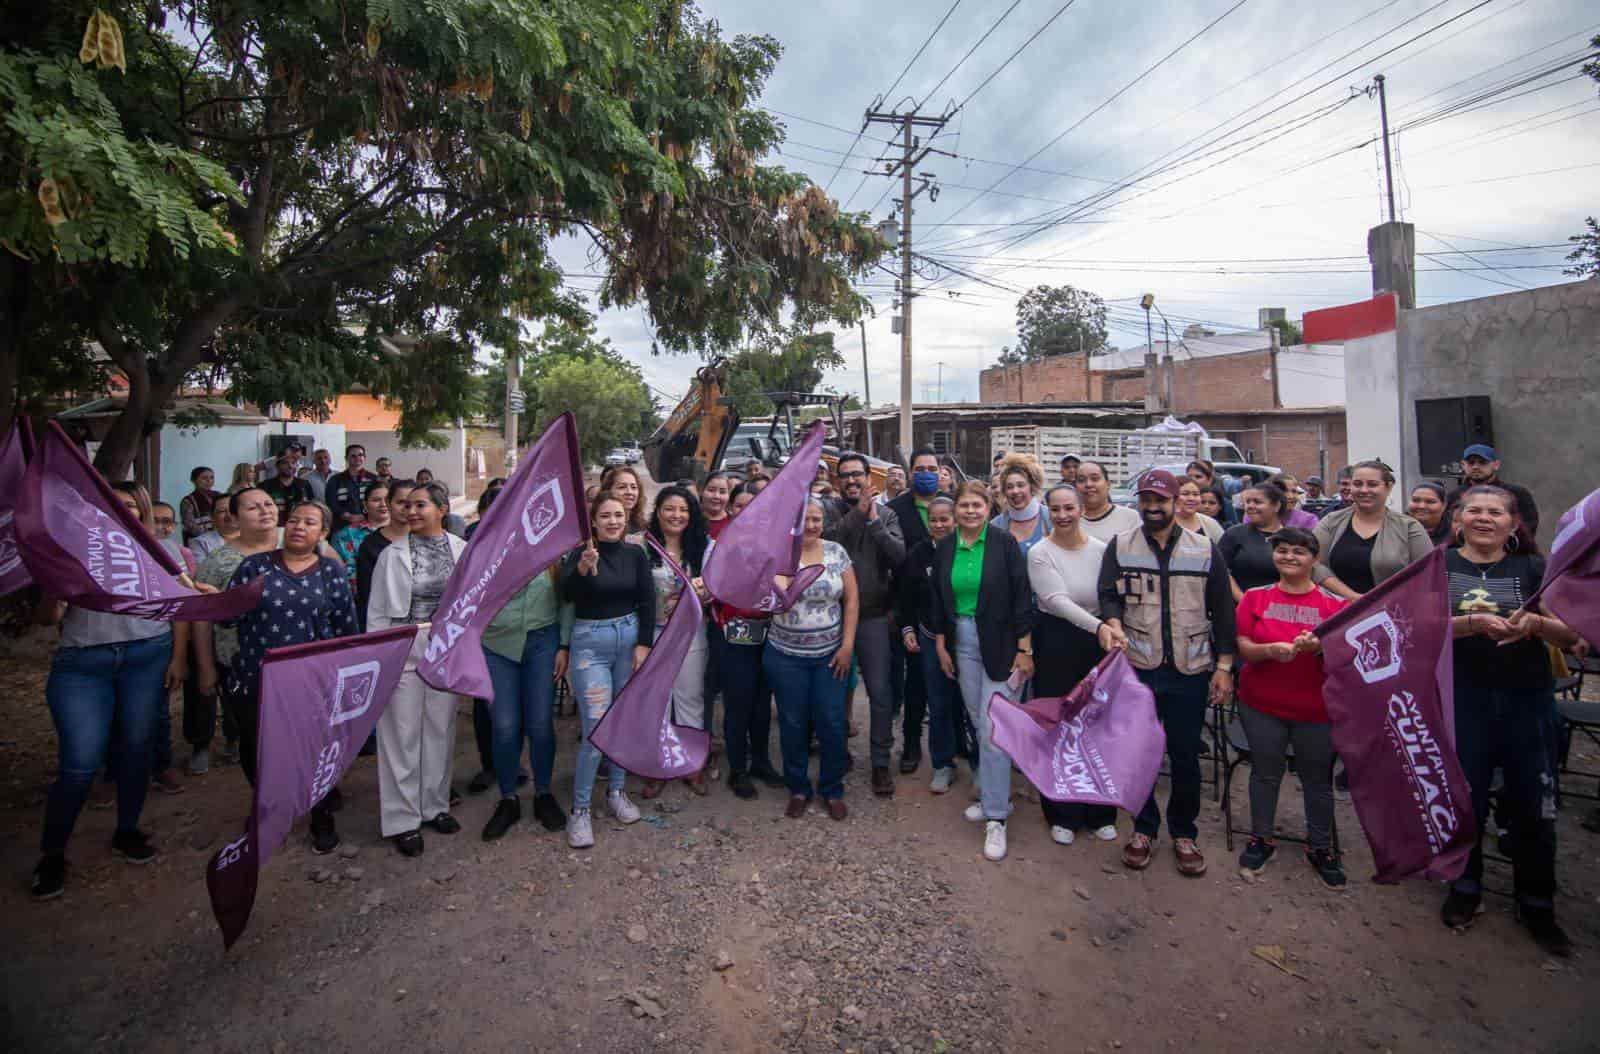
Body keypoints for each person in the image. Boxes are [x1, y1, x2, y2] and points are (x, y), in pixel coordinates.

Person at [1442, 485, 1577, 956]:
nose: (1484, 518)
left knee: (1535, 805)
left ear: (1513, 523)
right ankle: (1464, 888)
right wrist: (1471, 624)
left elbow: (1573, 637)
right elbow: (1415, 629)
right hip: (1462, 700)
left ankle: (1537, 902)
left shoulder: (1536, 569)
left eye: (1495, 512)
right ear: (1458, 519)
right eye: (1474, 510)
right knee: (1464, 801)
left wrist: (1535, 625)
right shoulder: (1436, 567)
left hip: (1527, 702)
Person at [30, 484, 180, 899]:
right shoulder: (71, 549)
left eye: (129, 506)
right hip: (83, 664)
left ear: (142, 511)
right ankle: (53, 853)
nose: (120, 511)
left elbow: (181, 606)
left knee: (136, 749)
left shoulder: (161, 551)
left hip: (146, 656)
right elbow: (47, 618)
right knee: (79, 763)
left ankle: (127, 830)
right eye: (111, 504)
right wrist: (54, 593)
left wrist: (181, 657)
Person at [1098, 469, 1237, 877]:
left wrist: (1224, 666)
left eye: (1160, 500)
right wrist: (1112, 621)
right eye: (1146, 500)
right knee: (1138, 753)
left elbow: (1223, 610)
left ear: (1176, 502)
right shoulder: (1121, 545)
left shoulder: (1204, 548)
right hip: (1138, 668)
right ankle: (1143, 828)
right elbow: (1108, 594)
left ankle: (1183, 832)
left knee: (1185, 755)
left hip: (1189, 670)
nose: (1153, 507)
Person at [226, 501, 358, 853]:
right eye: (294, 520)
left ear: (323, 533)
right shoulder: (254, 567)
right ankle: (269, 809)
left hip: (312, 682)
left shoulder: (331, 572)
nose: (299, 526)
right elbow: (227, 618)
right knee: (256, 749)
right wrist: (216, 602)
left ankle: (321, 815)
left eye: (309, 522)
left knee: (313, 750)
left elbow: (346, 628)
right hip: (257, 677)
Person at [1232, 527, 1347, 887]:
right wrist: (1268, 651)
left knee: (1317, 779)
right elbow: (1243, 646)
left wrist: (1321, 648)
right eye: (1282, 550)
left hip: (1316, 709)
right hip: (1261, 704)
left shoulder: (1335, 605)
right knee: (1265, 773)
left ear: (1315, 559)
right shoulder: (1255, 598)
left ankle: (1321, 846)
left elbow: (1347, 656)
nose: (1289, 557)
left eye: (1299, 552)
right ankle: (1261, 838)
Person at [931, 481, 1033, 863]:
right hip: (961, 640)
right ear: (955, 509)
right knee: (978, 721)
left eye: (977, 505)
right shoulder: (945, 547)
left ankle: (996, 817)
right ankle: (996, 795)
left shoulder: (1004, 545)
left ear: (989, 508)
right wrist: (942, 643)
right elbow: (939, 598)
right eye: (965, 505)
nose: (971, 511)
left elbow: (1022, 597)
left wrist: (1025, 649)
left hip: (1002, 643)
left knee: (994, 730)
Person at [368, 482, 469, 857]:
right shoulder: (390, 555)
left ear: (442, 509)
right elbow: (377, 612)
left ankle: (434, 806)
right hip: (402, 647)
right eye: (406, 505)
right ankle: (402, 819)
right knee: (402, 733)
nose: (410, 511)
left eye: (420, 505)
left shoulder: (462, 550)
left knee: (440, 729)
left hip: (444, 649)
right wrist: (381, 657)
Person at [560, 493, 653, 849]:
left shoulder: (635, 554)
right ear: (594, 521)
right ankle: (580, 809)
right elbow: (566, 594)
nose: (613, 521)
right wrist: (584, 568)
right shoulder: (582, 553)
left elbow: (647, 599)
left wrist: (643, 644)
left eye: (618, 515)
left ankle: (616, 791)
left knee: (621, 722)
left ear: (626, 518)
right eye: (605, 516)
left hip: (628, 638)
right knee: (596, 728)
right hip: (590, 645)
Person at [1027, 484, 1119, 845]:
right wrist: (1100, 627)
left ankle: (1100, 811)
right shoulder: (1039, 552)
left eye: (1069, 508)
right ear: (1047, 511)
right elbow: (1056, 600)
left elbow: (1110, 594)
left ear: (1081, 509)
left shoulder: (1101, 550)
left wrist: (1110, 627)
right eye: (1056, 509)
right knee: (1060, 726)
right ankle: (1061, 811)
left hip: (1098, 644)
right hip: (1056, 640)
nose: (1063, 515)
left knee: (1097, 725)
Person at [766, 497, 857, 821]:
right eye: (804, 519)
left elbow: (851, 600)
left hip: (830, 656)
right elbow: (777, 596)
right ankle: (798, 788)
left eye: (817, 519)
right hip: (785, 655)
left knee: (832, 722)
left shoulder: (836, 552)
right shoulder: (779, 554)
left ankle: (832, 789)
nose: (811, 525)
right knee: (793, 722)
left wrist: (847, 646)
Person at [823, 452, 906, 797]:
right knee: (832, 692)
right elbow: (829, 544)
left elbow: (899, 557)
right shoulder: (827, 510)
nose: (852, 480)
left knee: (880, 693)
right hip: (832, 619)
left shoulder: (886, 515)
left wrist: (873, 522)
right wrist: (858, 514)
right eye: (845, 475)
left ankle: (880, 763)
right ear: (837, 481)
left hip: (873, 617)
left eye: (857, 474)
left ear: (870, 478)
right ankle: (836, 755)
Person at [478, 545, 571, 840]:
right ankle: (508, 799)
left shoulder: (551, 549)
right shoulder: (488, 550)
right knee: (504, 725)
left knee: (540, 724)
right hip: (496, 644)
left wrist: (564, 645)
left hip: (543, 642)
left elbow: (566, 600)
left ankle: (543, 793)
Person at [193, 488, 281, 770]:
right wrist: (206, 668)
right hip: (242, 664)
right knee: (256, 740)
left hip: (297, 658)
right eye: (253, 507)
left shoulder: (301, 542)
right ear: (234, 517)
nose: (265, 510)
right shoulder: (218, 561)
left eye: (268, 503)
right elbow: (201, 617)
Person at [640, 486, 712, 799]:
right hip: (653, 634)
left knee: (690, 699)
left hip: (690, 634)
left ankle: (691, 764)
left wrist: (702, 589)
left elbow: (717, 585)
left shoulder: (705, 548)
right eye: (669, 508)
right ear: (657, 512)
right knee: (657, 701)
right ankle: (658, 765)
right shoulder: (643, 547)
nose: (676, 515)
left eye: (683, 510)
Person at [897, 495, 965, 794]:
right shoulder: (918, 553)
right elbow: (906, 595)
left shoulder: (968, 549)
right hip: (928, 635)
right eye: (933, 520)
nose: (938, 525)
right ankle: (942, 763)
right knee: (937, 701)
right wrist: (907, 628)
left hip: (966, 635)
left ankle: (977, 762)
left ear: (955, 519)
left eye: (944, 519)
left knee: (969, 703)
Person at [887, 448, 945, 773]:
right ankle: (911, 744)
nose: (926, 473)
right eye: (920, 468)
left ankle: (954, 745)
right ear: (910, 473)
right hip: (912, 608)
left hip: (950, 610)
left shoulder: (953, 505)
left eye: (931, 468)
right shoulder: (895, 510)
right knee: (916, 683)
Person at [1312, 461, 1432, 598]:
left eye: (1372, 484)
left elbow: (1427, 573)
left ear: (1388, 487)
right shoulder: (1330, 521)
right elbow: (1313, 563)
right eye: (1357, 484)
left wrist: (1377, 603)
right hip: (1337, 606)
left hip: (1393, 608)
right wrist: (1353, 597)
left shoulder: (1409, 527)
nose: (1364, 490)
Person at [355, 480, 413, 632]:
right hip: (386, 626)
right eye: (400, 502)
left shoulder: (427, 540)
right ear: (388, 503)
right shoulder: (370, 545)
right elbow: (366, 595)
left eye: (413, 503)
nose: (406, 508)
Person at [1447, 444, 1539, 536]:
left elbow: (1529, 526)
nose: (1475, 467)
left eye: (1482, 462)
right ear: (1463, 465)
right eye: (1471, 463)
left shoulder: (1517, 493)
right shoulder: (1454, 496)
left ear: (1496, 465)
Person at [1219, 482, 1290, 599]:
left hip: (1280, 604)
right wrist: (1244, 600)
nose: (1250, 506)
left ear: (1276, 506)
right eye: (1248, 502)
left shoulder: (1292, 537)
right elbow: (1221, 570)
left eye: (1257, 502)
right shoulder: (1234, 534)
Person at [331, 482, 390, 586]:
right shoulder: (345, 535)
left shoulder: (407, 532)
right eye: (376, 500)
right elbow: (343, 575)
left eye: (387, 499)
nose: (383, 504)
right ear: (365, 505)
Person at [991, 454, 1050, 555]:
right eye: (1009, 487)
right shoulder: (995, 526)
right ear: (1004, 491)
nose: (1015, 491)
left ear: (1032, 487)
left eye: (1021, 485)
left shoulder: (1050, 518)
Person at [1077, 460, 1140, 542]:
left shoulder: (1130, 517)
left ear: (1108, 484)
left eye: (1095, 479)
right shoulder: (1069, 520)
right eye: (1081, 480)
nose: (1088, 484)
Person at [326, 444, 377, 528]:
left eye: (360, 455)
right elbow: (331, 502)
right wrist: (346, 515)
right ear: (346, 458)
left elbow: (377, 500)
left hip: (368, 523)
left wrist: (365, 515)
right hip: (342, 524)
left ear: (364, 457)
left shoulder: (373, 479)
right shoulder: (335, 480)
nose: (357, 458)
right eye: (353, 456)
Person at [261, 453, 313, 525]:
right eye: (285, 463)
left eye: (293, 463)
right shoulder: (265, 486)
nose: (290, 466)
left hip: (299, 526)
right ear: (277, 466)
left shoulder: (304, 484)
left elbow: (311, 506)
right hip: (273, 526)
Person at [600, 464, 647, 538]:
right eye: (622, 487)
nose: (629, 492)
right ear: (608, 490)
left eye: (634, 487)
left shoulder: (643, 526)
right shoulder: (597, 528)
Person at [188, 496, 236, 563]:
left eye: (233, 509)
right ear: (212, 517)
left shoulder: (251, 537)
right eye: (222, 511)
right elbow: (202, 569)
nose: (229, 515)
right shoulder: (201, 543)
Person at [179, 467, 220, 544]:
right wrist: (210, 538)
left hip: (220, 539)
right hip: (199, 541)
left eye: (212, 477)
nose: (209, 481)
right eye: (204, 478)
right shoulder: (188, 501)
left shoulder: (219, 496)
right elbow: (190, 525)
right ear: (193, 480)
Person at [1175, 478, 1224, 543]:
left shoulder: (1210, 524)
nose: (1191, 498)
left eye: (1196, 494)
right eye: (1185, 494)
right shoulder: (1165, 523)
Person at [1408, 481, 1452, 547]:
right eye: (1416, 500)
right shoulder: (1398, 528)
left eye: (1430, 502)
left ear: (1444, 505)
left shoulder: (1455, 534)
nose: (1421, 506)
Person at [700, 471, 733, 539]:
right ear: (702, 491)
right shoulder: (690, 518)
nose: (716, 496)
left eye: (722, 492)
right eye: (711, 490)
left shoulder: (733, 523)